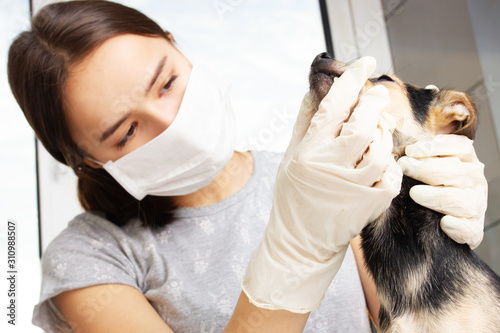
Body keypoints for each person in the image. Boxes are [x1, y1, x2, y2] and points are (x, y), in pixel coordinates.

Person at [7, 1, 487, 332]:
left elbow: (403, 314)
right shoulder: (90, 257)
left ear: (177, 46)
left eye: (167, 81)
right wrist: (291, 256)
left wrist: (433, 230)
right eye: (126, 132)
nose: (169, 120)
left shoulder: (319, 181)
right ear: (89, 159)